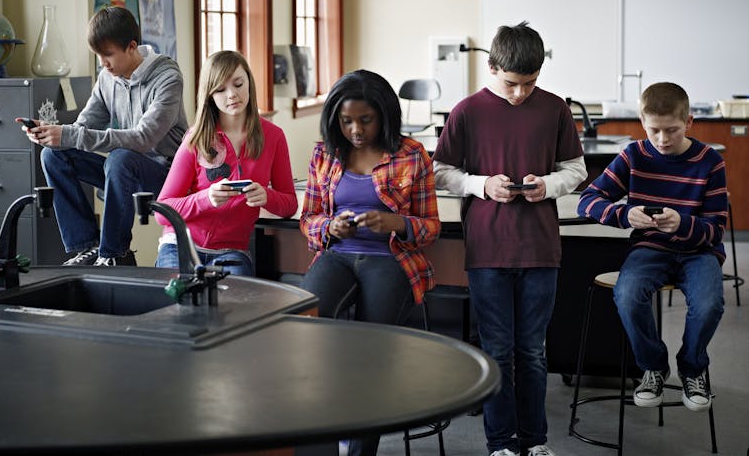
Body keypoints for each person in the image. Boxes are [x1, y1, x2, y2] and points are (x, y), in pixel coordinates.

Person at [433, 22, 587, 456]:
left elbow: (575, 169)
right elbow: (441, 170)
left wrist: (549, 186)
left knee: (532, 352)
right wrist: (483, 185)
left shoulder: (555, 109)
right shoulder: (467, 111)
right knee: (498, 351)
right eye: (512, 83)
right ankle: (500, 444)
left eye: (530, 83)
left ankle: (535, 443)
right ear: (492, 66)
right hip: (487, 248)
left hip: (540, 248)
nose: (520, 93)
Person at [300, 69, 440, 456]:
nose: (356, 130)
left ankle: (361, 446)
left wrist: (397, 223)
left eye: (365, 120)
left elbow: (430, 228)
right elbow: (308, 219)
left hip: (390, 258)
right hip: (338, 254)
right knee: (300, 325)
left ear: (384, 115)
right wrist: (331, 226)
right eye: (346, 121)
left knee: (372, 352)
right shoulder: (325, 153)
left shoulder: (412, 154)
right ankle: (322, 440)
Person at [578, 81, 726, 412]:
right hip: (649, 249)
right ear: (642, 123)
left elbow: (715, 231)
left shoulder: (710, 162)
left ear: (688, 123)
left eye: (671, 130)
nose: (662, 139)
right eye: (654, 130)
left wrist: (684, 224)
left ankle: (693, 367)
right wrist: (626, 214)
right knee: (628, 296)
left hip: (698, 253)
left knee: (709, 304)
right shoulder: (634, 155)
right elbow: (587, 201)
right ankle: (653, 367)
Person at [22, 6, 188, 266]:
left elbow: (143, 138)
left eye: (108, 54)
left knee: (120, 157)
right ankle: (87, 246)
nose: (102, 63)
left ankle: (114, 254)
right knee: (53, 155)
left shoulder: (168, 78)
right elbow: (83, 127)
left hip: (165, 176)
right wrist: (49, 134)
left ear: (131, 46)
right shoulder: (107, 79)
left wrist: (68, 134)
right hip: (120, 173)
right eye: (98, 55)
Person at [153, 50, 297, 275]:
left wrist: (267, 197)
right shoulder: (196, 138)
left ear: (249, 80)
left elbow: (290, 204)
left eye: (238, 84)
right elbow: (162, 211)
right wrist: (206, 198)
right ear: (210, 95)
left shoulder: (274, 137)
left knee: (236, 307)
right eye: (220, 89)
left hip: (231, 252)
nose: (232, 94)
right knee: (177, 302)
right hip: (181, 245)